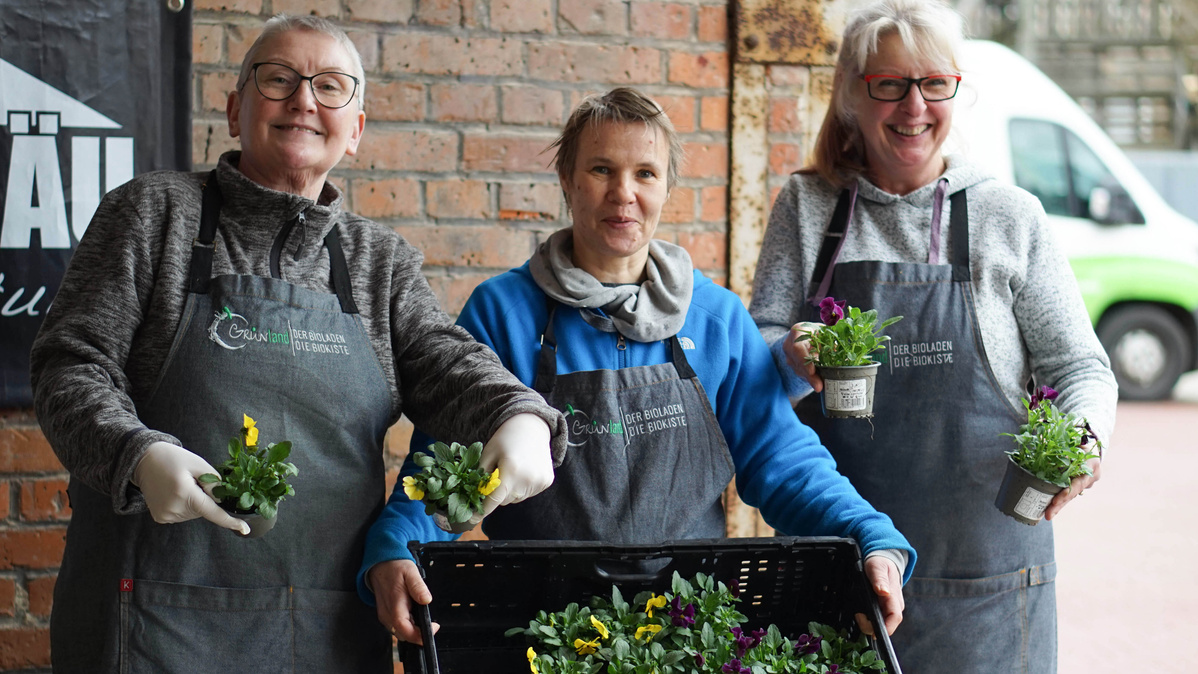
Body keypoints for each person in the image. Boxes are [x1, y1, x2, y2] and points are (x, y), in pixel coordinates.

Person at [29, 15, 564, 673]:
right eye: (278, 79)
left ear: (355, 130)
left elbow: (448, 363)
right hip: (148, 627)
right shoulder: (153, 214)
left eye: (330, 86)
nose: (304, 100)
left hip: (322, 632)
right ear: (235, 110)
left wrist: (520, 416)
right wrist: (134, 455)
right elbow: (69, 365)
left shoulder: (379, 262)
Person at [359, 87, 917, 646]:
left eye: (645, 173)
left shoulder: (716, 319)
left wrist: (872, 537)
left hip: (690, 632)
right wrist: (395, 547)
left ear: (667, 187)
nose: (623, 193)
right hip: (537, 635)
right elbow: (446, 469)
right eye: (601, 169)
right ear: (568, 181)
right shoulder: (503, 312)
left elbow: (784, 460)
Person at [748, 1, 1118, 672]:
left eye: (933, 83)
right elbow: (758, 354)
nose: (913, 105)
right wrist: (788, 354)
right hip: (841, 571)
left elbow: (1079, 367)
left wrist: (1084, 441)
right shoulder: (808, 207)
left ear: (956, 91)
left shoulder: (1010, 215)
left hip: (990, 584)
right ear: (852, 95)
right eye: (889, 83)